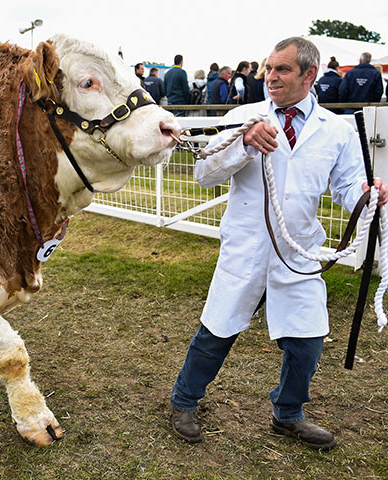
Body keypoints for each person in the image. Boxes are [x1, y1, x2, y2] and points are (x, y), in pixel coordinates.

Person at [169, 36, 388, 451]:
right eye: (269, 68)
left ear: (309, 75)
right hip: (248, 245)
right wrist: (245, 146)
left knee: (306, 340)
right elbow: (205, 173)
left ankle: (288, 415)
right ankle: (183, 401)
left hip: (299, 250)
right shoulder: (243, 116)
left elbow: (345, 186)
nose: (270, 77)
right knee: (216, 330)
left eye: (282, 70)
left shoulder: (336, 130)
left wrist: (367, 192)